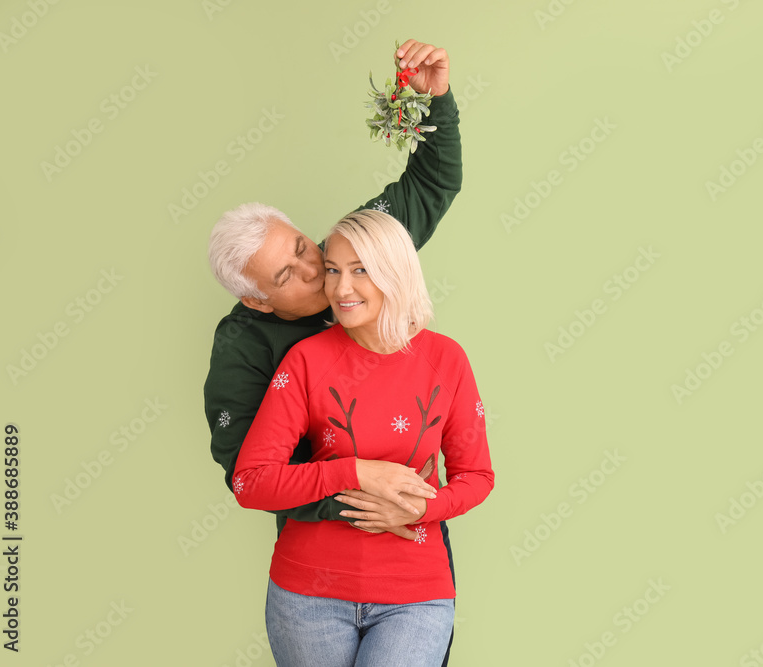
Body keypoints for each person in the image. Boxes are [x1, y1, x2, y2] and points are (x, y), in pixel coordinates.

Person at [203, 40, 463, 663]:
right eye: (286, 275)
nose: (316, 269)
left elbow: (433, 180)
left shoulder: (353, 246)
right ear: (259, 303)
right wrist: (357, 491)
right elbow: (246, 467)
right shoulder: (245, 347)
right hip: (320, 564)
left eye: (299, 245)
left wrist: (435, 98)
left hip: (410, 549)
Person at [232, 209, 494, 666]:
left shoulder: (446, 359)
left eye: (361, 270)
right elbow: (251, 482)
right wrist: (357, 472)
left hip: (416, 595)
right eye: (332, 270)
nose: (340, 289)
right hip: (307, 596)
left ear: (396, 272)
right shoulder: (305, 361)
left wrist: (421, 508)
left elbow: (477, 475)